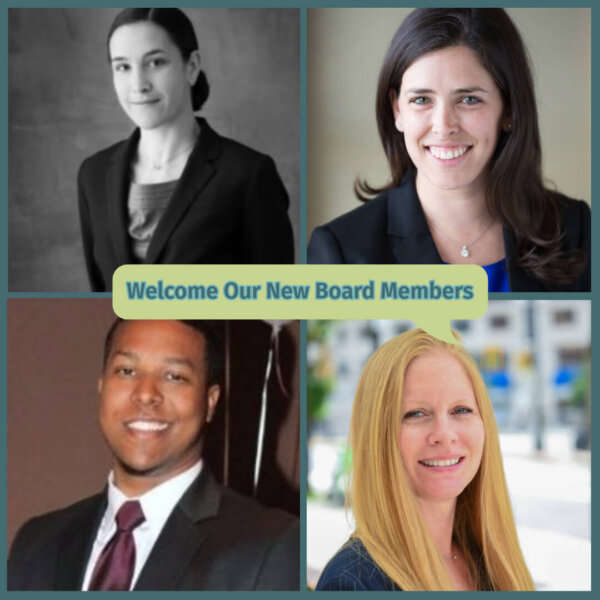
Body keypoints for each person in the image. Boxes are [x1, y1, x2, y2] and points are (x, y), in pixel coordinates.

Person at [308, 8, 590, 292]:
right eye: (421, 99)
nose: (444, 127)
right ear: (397, 109)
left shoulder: (577, 229)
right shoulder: (341, 252)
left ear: (509, 109)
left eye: (469, 99)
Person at [8, 319, 299, 591]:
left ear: (210, 402)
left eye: (174, 376)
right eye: (126, 371)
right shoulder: (37, 543)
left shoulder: (272, 545)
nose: (146, 393)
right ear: (101, 386)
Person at [78, 8, 294, 292]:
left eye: (155, 62)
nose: (138, 84)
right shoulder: (93, 174)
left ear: (191, 66)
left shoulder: (248, 174)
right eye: (123, 67)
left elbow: (275, 306)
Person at [316, 329, 534, 591]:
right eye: (416, 413)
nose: (444, 434)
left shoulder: (492, 563)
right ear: (379, 436)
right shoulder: (351, 584)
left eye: (461, 410)